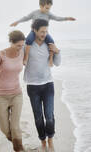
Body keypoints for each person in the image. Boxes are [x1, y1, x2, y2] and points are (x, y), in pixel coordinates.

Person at [24, 19, 61, 152]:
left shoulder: (48, 43)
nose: (44, 34)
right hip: (33, 86)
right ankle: (43, 141)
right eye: (41, 32)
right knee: (38, 117)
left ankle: (50, 140)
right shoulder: (27, 44)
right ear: (34, 30)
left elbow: (57, 63)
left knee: (49, 115)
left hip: (48, 85)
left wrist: (57, 51)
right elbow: (19, 60)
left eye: (46, 31)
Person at [10, 0, 75, 66]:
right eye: (46, 8)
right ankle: (26, 57)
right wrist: (17, 21)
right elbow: (26, 18)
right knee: (28, 40)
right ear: (41, 6)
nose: (48, 10)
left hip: (45, 33)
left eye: (49, 9)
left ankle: (50, 59)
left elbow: (57, 18)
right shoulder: (35, 13)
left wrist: (67, 18)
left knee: (51, 42)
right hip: (34, 32)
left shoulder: (49, 14)